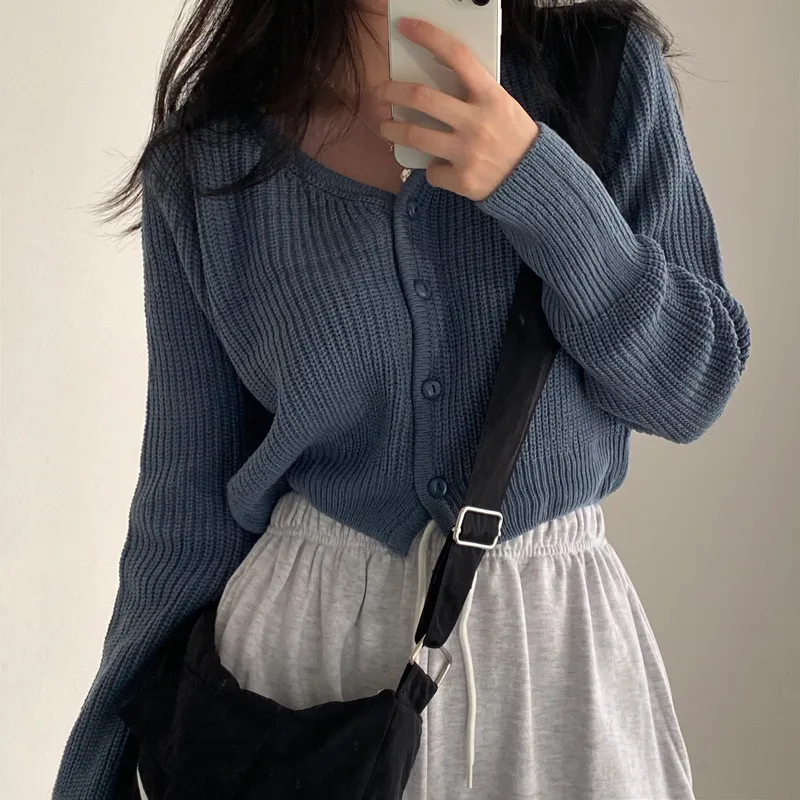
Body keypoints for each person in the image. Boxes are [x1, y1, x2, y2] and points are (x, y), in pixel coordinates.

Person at [53, 1, 751, 798]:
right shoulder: (213, 164)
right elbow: (183, 518)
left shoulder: (599, 76)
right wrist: (95, 772)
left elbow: (689, 390)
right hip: (297, 676)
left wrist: (538, 182)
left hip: (554, 666)